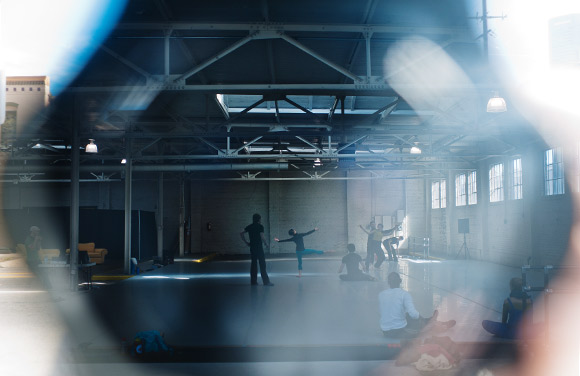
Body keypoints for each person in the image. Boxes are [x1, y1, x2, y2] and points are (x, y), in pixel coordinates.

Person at [380, 272, 455, 338]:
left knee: (407, 316)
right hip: (399, 331)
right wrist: (421, 319)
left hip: (385, 331)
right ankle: (440, 326)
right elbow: (414, 314)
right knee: (425, 328)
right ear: (400, 281)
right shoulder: (404, 294)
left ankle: (431, 320)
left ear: (388, 282)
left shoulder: (381, 295)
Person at [240, 213, 273, 286]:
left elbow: (241, 233)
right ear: (259, 219)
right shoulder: (260, 226)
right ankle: (266, 282)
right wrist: (266, 244)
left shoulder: (250, 226)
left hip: (252, 247)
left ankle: (253, 282)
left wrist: (246, 242)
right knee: (262, 264)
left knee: (254, 264)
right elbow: (262, 236)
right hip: (259, 248)